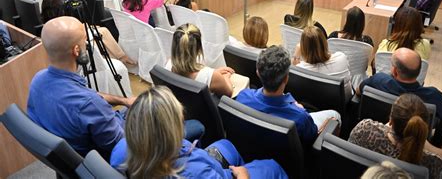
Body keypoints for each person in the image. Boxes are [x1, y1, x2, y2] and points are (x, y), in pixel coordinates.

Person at [110, 86, 288, 178]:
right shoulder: (194, 172)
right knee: (272, 167)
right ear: (170, 132)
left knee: (227, 145)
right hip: (212, 172)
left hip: (198, 161)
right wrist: (242, 175)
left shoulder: (120, 150)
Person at [27, 16, 136, 160]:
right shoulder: (90, 105)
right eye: (84, 41)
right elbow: (121, 147)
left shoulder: (38, 80)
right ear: (76, 50)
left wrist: (124, 101)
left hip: (77, 155)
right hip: (110, 156)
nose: (87, 44)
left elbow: (88, 97)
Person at [236, 45, 341, 146]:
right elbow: (312, 137)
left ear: (258, 73)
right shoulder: (300, 117)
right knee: (335, 114)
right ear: (286, 79)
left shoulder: (242, 97)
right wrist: (300, 110)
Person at [357, 48, 442, 148]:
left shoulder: (378, 80)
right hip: (415, 141)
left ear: (395, 71)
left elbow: (358, 91)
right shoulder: (433, 95)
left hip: (376, 129)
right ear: (419, 72)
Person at [349, 94, 442, 179]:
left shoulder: (364, 129)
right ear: (423, 129)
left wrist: (385, 128)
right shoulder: (433, 163)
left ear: (391, 120)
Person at [40, 0, 137, 65]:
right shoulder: (60, 23)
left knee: (101, 31)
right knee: (103, 32)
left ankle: (119, 59)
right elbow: (74, 33)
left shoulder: (47, 23)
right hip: (75, 43)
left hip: (74, 39)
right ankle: (121, 58)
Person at [166, 23, 248, 98]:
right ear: (198, 49)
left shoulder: (168, 65)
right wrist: (225, 77)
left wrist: (215, 72)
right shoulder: (211, 76)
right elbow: (229, 92)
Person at [292, 26, 352, 99]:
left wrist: (296, 55)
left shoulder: (302, 70)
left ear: (304, 48)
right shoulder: (341, 57)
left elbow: (293, 76)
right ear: (325, 42)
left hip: (317, 107)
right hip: (344, 106)